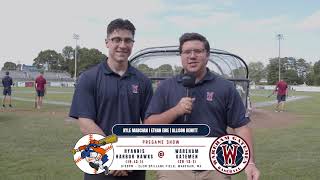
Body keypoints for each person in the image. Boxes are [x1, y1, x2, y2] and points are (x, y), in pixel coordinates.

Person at [144, 33, 260, 180]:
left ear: (207, 55)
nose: (192, 56)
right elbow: (150, 124)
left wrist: (249, 163)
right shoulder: (166, 87)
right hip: (173, 167)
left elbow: (241, 126)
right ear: (181, 56)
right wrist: (176, 110)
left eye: (198, 51)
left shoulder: (225, 87)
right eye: (187, 52)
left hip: (214, 166)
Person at [69, 18, 153, 180]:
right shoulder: (89, 78)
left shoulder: (143, 81)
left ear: (133, 44)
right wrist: (112, 156)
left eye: (128, 40)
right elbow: (86, 124)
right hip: (99, 163)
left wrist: (128, 157)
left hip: (133, 165)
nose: (122, 45)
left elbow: (150, 124)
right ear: (107, 42)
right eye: (117, 39)